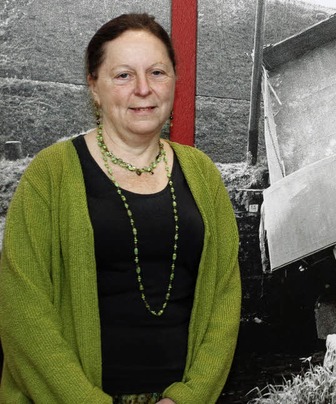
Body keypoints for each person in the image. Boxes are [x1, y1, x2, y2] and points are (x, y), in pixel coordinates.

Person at [0, 13, 241, 403]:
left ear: (174, 82)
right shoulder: (50, 175)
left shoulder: (202, 174)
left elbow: (224, 298)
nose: (144, 89)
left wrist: (188, 397)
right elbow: (24, 314)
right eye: (124, 75)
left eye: (157, 73)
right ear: (94, 87)